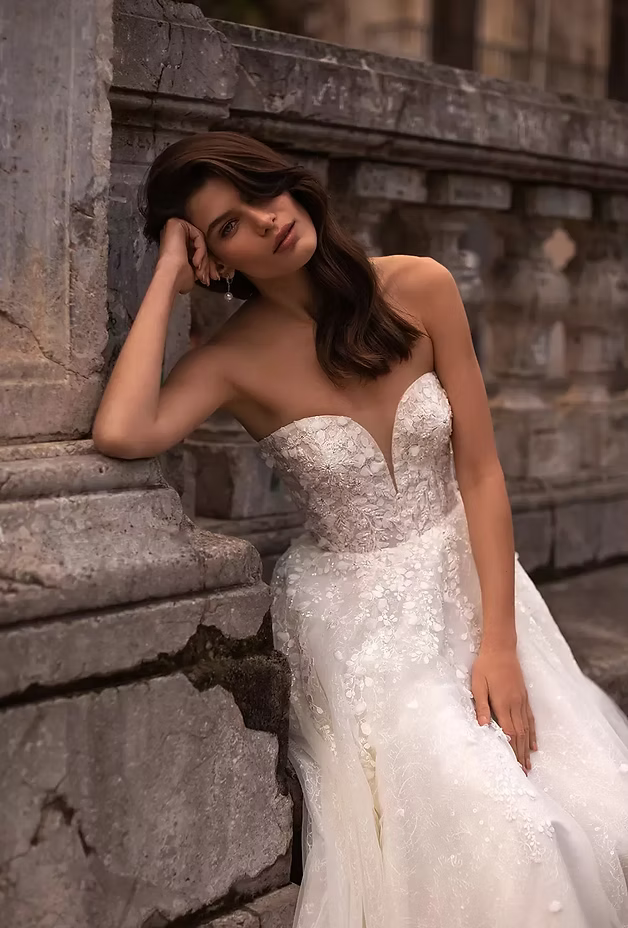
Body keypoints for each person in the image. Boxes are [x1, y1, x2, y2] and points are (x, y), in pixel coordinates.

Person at [92, 131, 628, 927]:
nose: (266, 220)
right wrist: (168, 273)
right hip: (355, 618)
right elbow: (122, 431)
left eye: (261, 191)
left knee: (595, 811)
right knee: (504, 821)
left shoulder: (421, 286)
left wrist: (499, 646)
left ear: (290, 185)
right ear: (217, 258)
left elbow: (482, 474)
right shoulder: (230, 360)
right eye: (229, 225)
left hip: (472, 578)